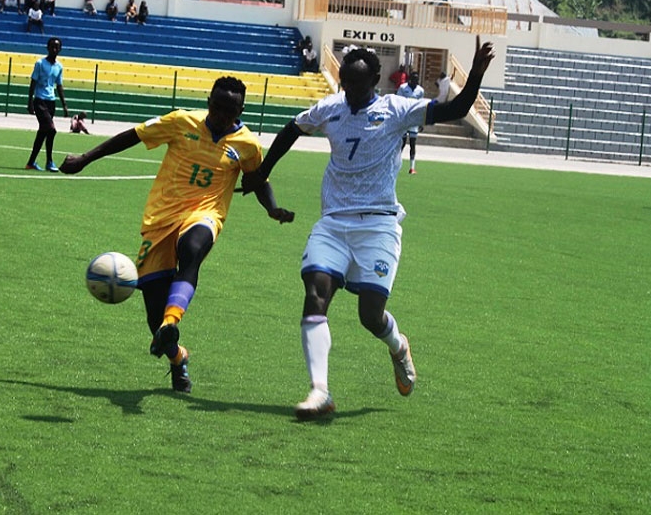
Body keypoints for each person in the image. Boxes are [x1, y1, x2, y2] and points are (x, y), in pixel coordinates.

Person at [240, 37, 495, 419]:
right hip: (333, 223)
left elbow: (455, 108)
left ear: (376, 80)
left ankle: (398, 346)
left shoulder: (397, 109)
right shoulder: (331, 108)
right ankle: (320, 391)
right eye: (346, 83)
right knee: (315, 294)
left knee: (370, 316)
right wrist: (263, 172)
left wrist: (474, 76)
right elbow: (293, 128)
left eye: (359, 84)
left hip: (378, 225)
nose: (351, 91)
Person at [59, 76, 295, 393]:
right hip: (160, 219)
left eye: (230, 111)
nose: (221, 115)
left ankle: (172, 321)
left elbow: (258, 179)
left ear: (240, 111)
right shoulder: (181, 122)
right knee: (153, 318)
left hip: (205, 214)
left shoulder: (247, 144)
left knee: (192, 250)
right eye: (217, 107)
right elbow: (133, 135)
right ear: (208, 102)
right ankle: (177, 356)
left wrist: (272, 208)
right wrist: (85, 158)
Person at [26, 37, 68, 172]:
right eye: (52, 47)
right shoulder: (40, 63)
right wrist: (30, 102)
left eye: (57, 47)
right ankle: (49, 161)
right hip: (40, 100)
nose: (54, 49)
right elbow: (33, 82)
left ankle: (31, 162)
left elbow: (59, 85)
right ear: (47, 48)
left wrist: (64, 105)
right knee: (51, 130)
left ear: (60, 49)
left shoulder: (59, 66)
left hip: (51, 102)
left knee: (43, 133)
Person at [397, 72, 425, 174]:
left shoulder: (420, 90)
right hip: (404, 119)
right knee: (402, 143)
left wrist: (421, 121)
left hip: (414, 120)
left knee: (413, 144)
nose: (416, 81)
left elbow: (421, 106)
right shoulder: (403, 88)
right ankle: (395, 164)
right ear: (410, 79)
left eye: (417, 79)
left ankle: (412, 167)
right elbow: (398, 103)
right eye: (414, 79)